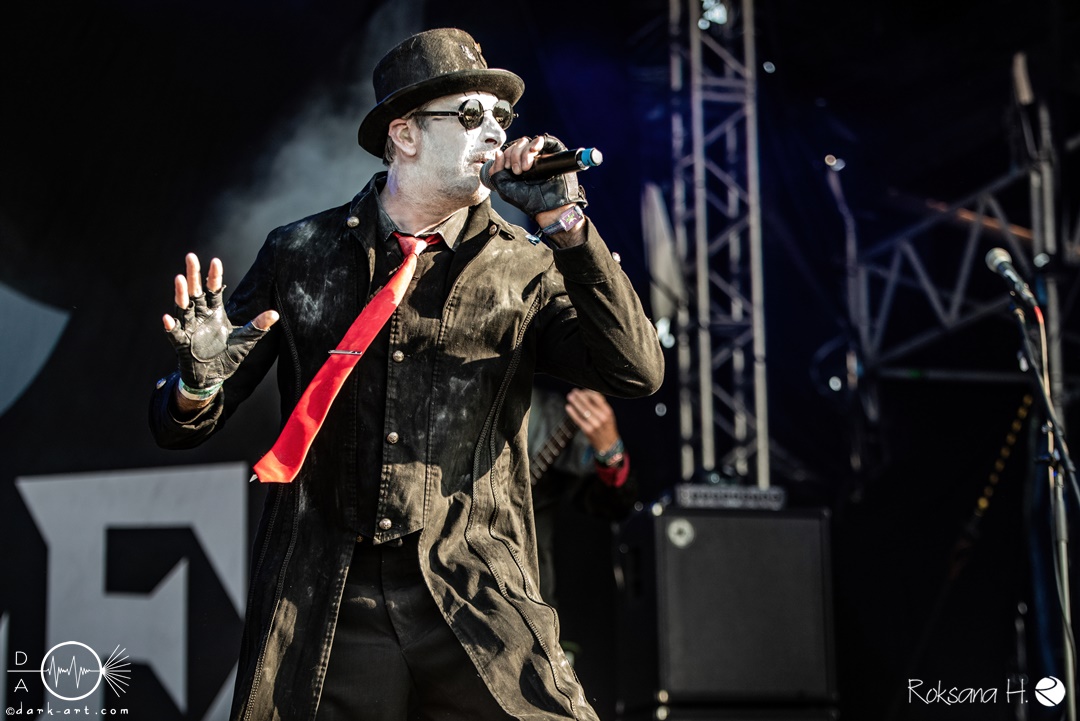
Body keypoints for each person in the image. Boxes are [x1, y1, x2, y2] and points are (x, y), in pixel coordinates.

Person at [149, 27, 663, 721]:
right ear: (406, 135)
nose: (495, 131)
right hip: (329, 599)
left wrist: (566, 225)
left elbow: (636, 371)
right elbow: (184, 423)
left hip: (475, 592)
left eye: (502, 116)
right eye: (471, 114)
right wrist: (197, 382)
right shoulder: (301, 253)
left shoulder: (527, 263)